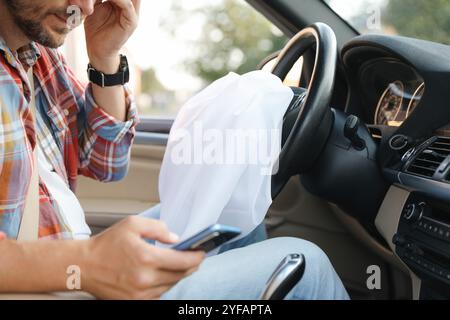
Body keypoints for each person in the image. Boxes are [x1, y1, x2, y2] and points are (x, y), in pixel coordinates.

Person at [0, 0, 349, 300]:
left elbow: (106, 162)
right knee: (306, 266)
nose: (87, 8)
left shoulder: (37, 55)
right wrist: (87, 263)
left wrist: (105, 56)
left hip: (63, 259)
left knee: (230, 212)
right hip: (49, 283)